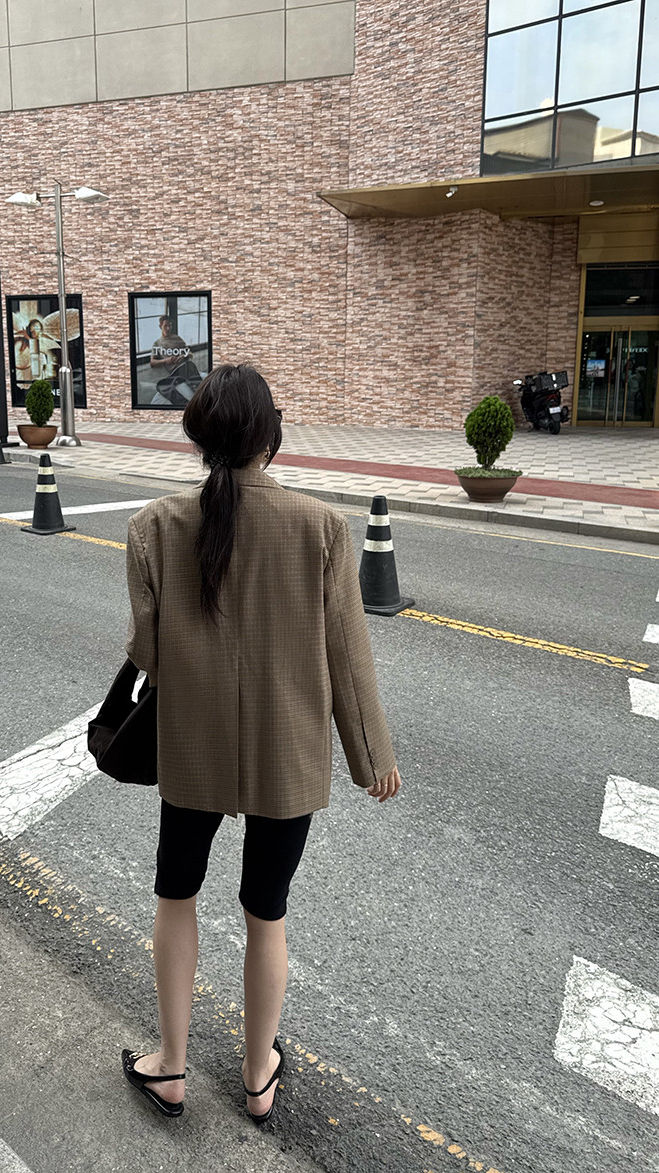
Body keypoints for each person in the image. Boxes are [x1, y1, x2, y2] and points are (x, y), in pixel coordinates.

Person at [121, 364, 401, 1122]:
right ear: (270, 439)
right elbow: (347, 656)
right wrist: (371, 757)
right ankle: (256, 1077)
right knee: (265, 910)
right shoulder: (321, 527)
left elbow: (147, 652)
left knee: (176, 893)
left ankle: (170, 1066)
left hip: (192, 750)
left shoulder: (153, 526)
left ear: (197, 438)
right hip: (287, 755)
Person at [149, 316, 202, 406]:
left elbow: (189, 353)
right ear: (160, 326)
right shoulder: (157, 343)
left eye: (170, 326)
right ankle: (187, 402)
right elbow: (152, 362)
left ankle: (200, 392)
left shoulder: (177, 339)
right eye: (165, 326)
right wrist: (166, 360)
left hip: (184, 367)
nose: (168, 328)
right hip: (174, 373)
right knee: (162, 385)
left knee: (190, 366)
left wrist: (183, 356)